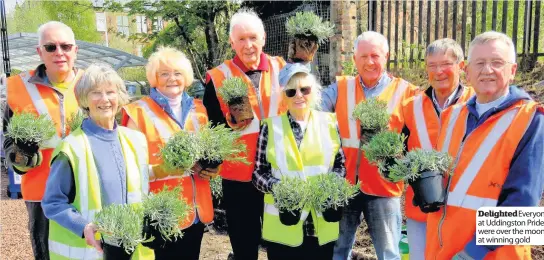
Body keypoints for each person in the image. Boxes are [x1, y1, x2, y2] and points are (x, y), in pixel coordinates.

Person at [426, 31, 544, 260]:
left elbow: (524, 204)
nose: (487, 70)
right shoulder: (452, 116)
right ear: (467, 71)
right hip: (442, 249)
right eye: (479, 63)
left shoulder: (532, 119)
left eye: (497, 62)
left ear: (513, 71)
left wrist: (472, 253)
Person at [320, 31, 419, 260]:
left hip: (383, 187)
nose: (370, 62)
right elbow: (313, 107)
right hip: (344, 186)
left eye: (375, 55)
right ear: (354, 59)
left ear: (387, 56)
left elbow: (422, 134)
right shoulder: (340, 88)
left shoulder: (407, 93)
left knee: (389, 253)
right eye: (363, 56)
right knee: (337, 251)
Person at [41, 63, 153, 259]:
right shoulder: (71, 147)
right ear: (84, 99)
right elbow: (52, 202)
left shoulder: (136, 140)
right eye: (95, 93)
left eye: (110, 92)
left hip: (132, 250)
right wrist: (83, 227)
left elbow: (141, 188)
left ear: (119, 97)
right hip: (90, 251)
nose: (105, 99)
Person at [203, 8, 286, 260]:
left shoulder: (282, 68)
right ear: (231, 42)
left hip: (277, 172)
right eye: (241, 39)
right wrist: (211, 159)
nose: (248, 45)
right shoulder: (218, 78)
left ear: (263, 38)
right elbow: (212, 127)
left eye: (253, 37)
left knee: (280, 244)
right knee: (244, 246)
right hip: (238, 177)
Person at [121, 46, 214, 259]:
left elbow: (208, 150)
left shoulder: (199, 109)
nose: (172, 78)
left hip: (196, 211)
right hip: (162, 215)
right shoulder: (137, 112)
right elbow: (129, 171)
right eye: (164, 73)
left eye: (178, 73)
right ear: (154, 77)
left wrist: (211, 168)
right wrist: (162, 170)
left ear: (187, 77)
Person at [389, 38, 474, 260]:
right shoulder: (410, 106)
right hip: (422, 207)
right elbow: (398, 149)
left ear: (461, 66)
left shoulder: (476, 103)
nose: (438, 72)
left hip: (463, 210)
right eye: (432, 65)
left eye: (445, 64)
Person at [4, 21, 83, 260]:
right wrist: (23, 155)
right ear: (39, 52)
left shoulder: (94, 84)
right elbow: (10, 149)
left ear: (75, 50)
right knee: (48, 254)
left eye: (65, 46)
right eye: (50, 47)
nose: (59, 52)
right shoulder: (18, 88)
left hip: (88, 189)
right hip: (41, 194)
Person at [252, 63, 346, 260]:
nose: (298, 95)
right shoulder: (270, 127)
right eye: (291, 91)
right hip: (283, 226)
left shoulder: (329, 123)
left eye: (304, 89)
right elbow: (258, 173)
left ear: (313, 91)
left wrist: (332, 186)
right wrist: (280, 189)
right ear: (283, 96)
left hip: (320, 224)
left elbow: (340, 166)